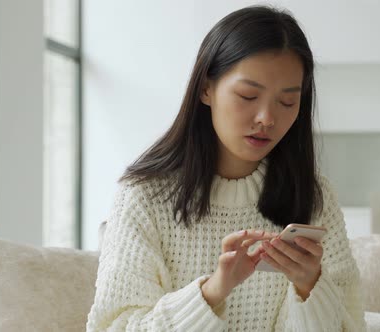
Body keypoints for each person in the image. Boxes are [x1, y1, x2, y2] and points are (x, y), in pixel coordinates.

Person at [86, 5, 365, 331]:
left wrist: (310, 287)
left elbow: (351, 325)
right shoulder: (144, 198)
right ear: (206, 88)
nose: (267, 118)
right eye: (248, 96)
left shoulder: (315, 198)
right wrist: (214, 290)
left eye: (287, 102)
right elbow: (115, 326)